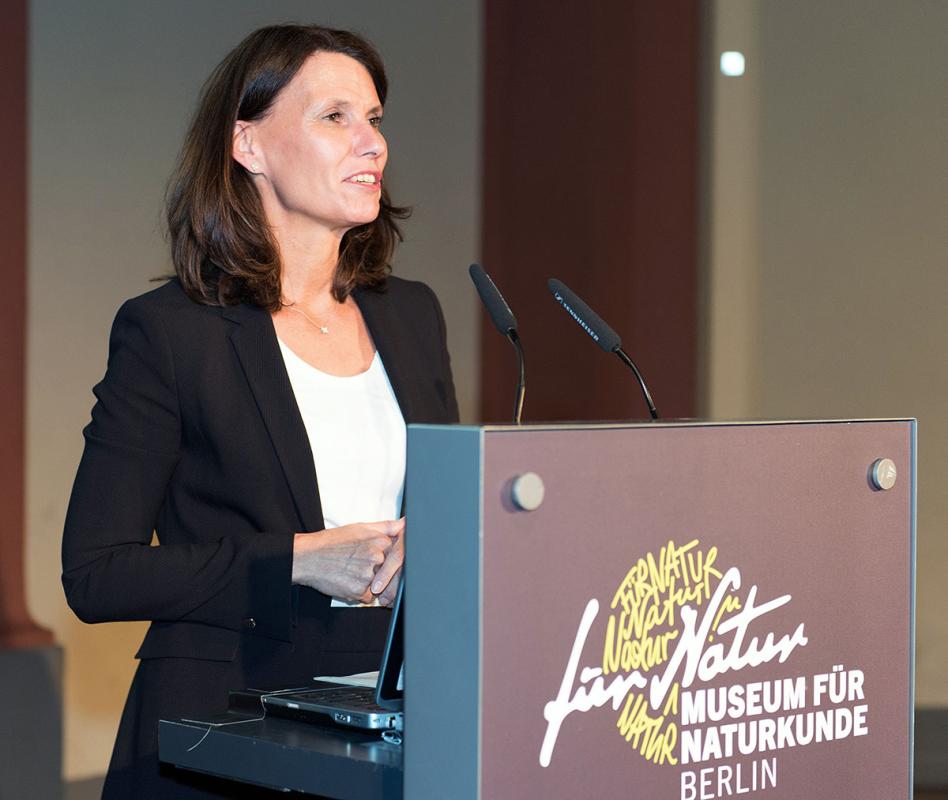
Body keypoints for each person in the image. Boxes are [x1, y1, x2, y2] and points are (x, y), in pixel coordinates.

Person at [61, 24, 458, 798]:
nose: (370, 143)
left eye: (374, 119)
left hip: (391, 731)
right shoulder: (172, 333)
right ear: (249, 144)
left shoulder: (413, 315)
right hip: (227, 735)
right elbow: (96, 574)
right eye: (335, 117)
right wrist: (298, 560)